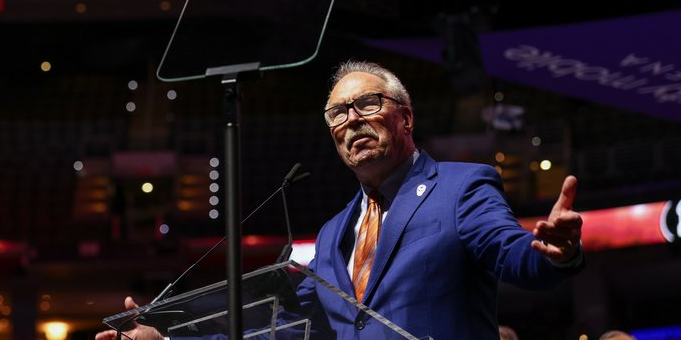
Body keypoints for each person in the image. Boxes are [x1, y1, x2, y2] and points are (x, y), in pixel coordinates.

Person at [98, 60, 584, 339]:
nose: (351, 120)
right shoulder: (332, 234)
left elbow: (512, 253)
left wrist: (554, 253)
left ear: (405, 118)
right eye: (337, 114)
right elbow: (280, 327)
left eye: (367, 105)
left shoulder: (461, 186)